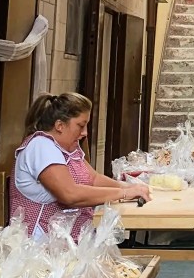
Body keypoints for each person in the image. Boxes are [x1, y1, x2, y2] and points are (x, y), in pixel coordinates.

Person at [9, 93, 149, 240]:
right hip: (41, 245)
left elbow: (93, 178)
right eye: (81, 126)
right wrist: (124, 194)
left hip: (73, 239)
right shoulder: (41, 146)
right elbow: (70, 195)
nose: (85, 133)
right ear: (60, 125)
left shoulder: (68, 148)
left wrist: (127, 187)